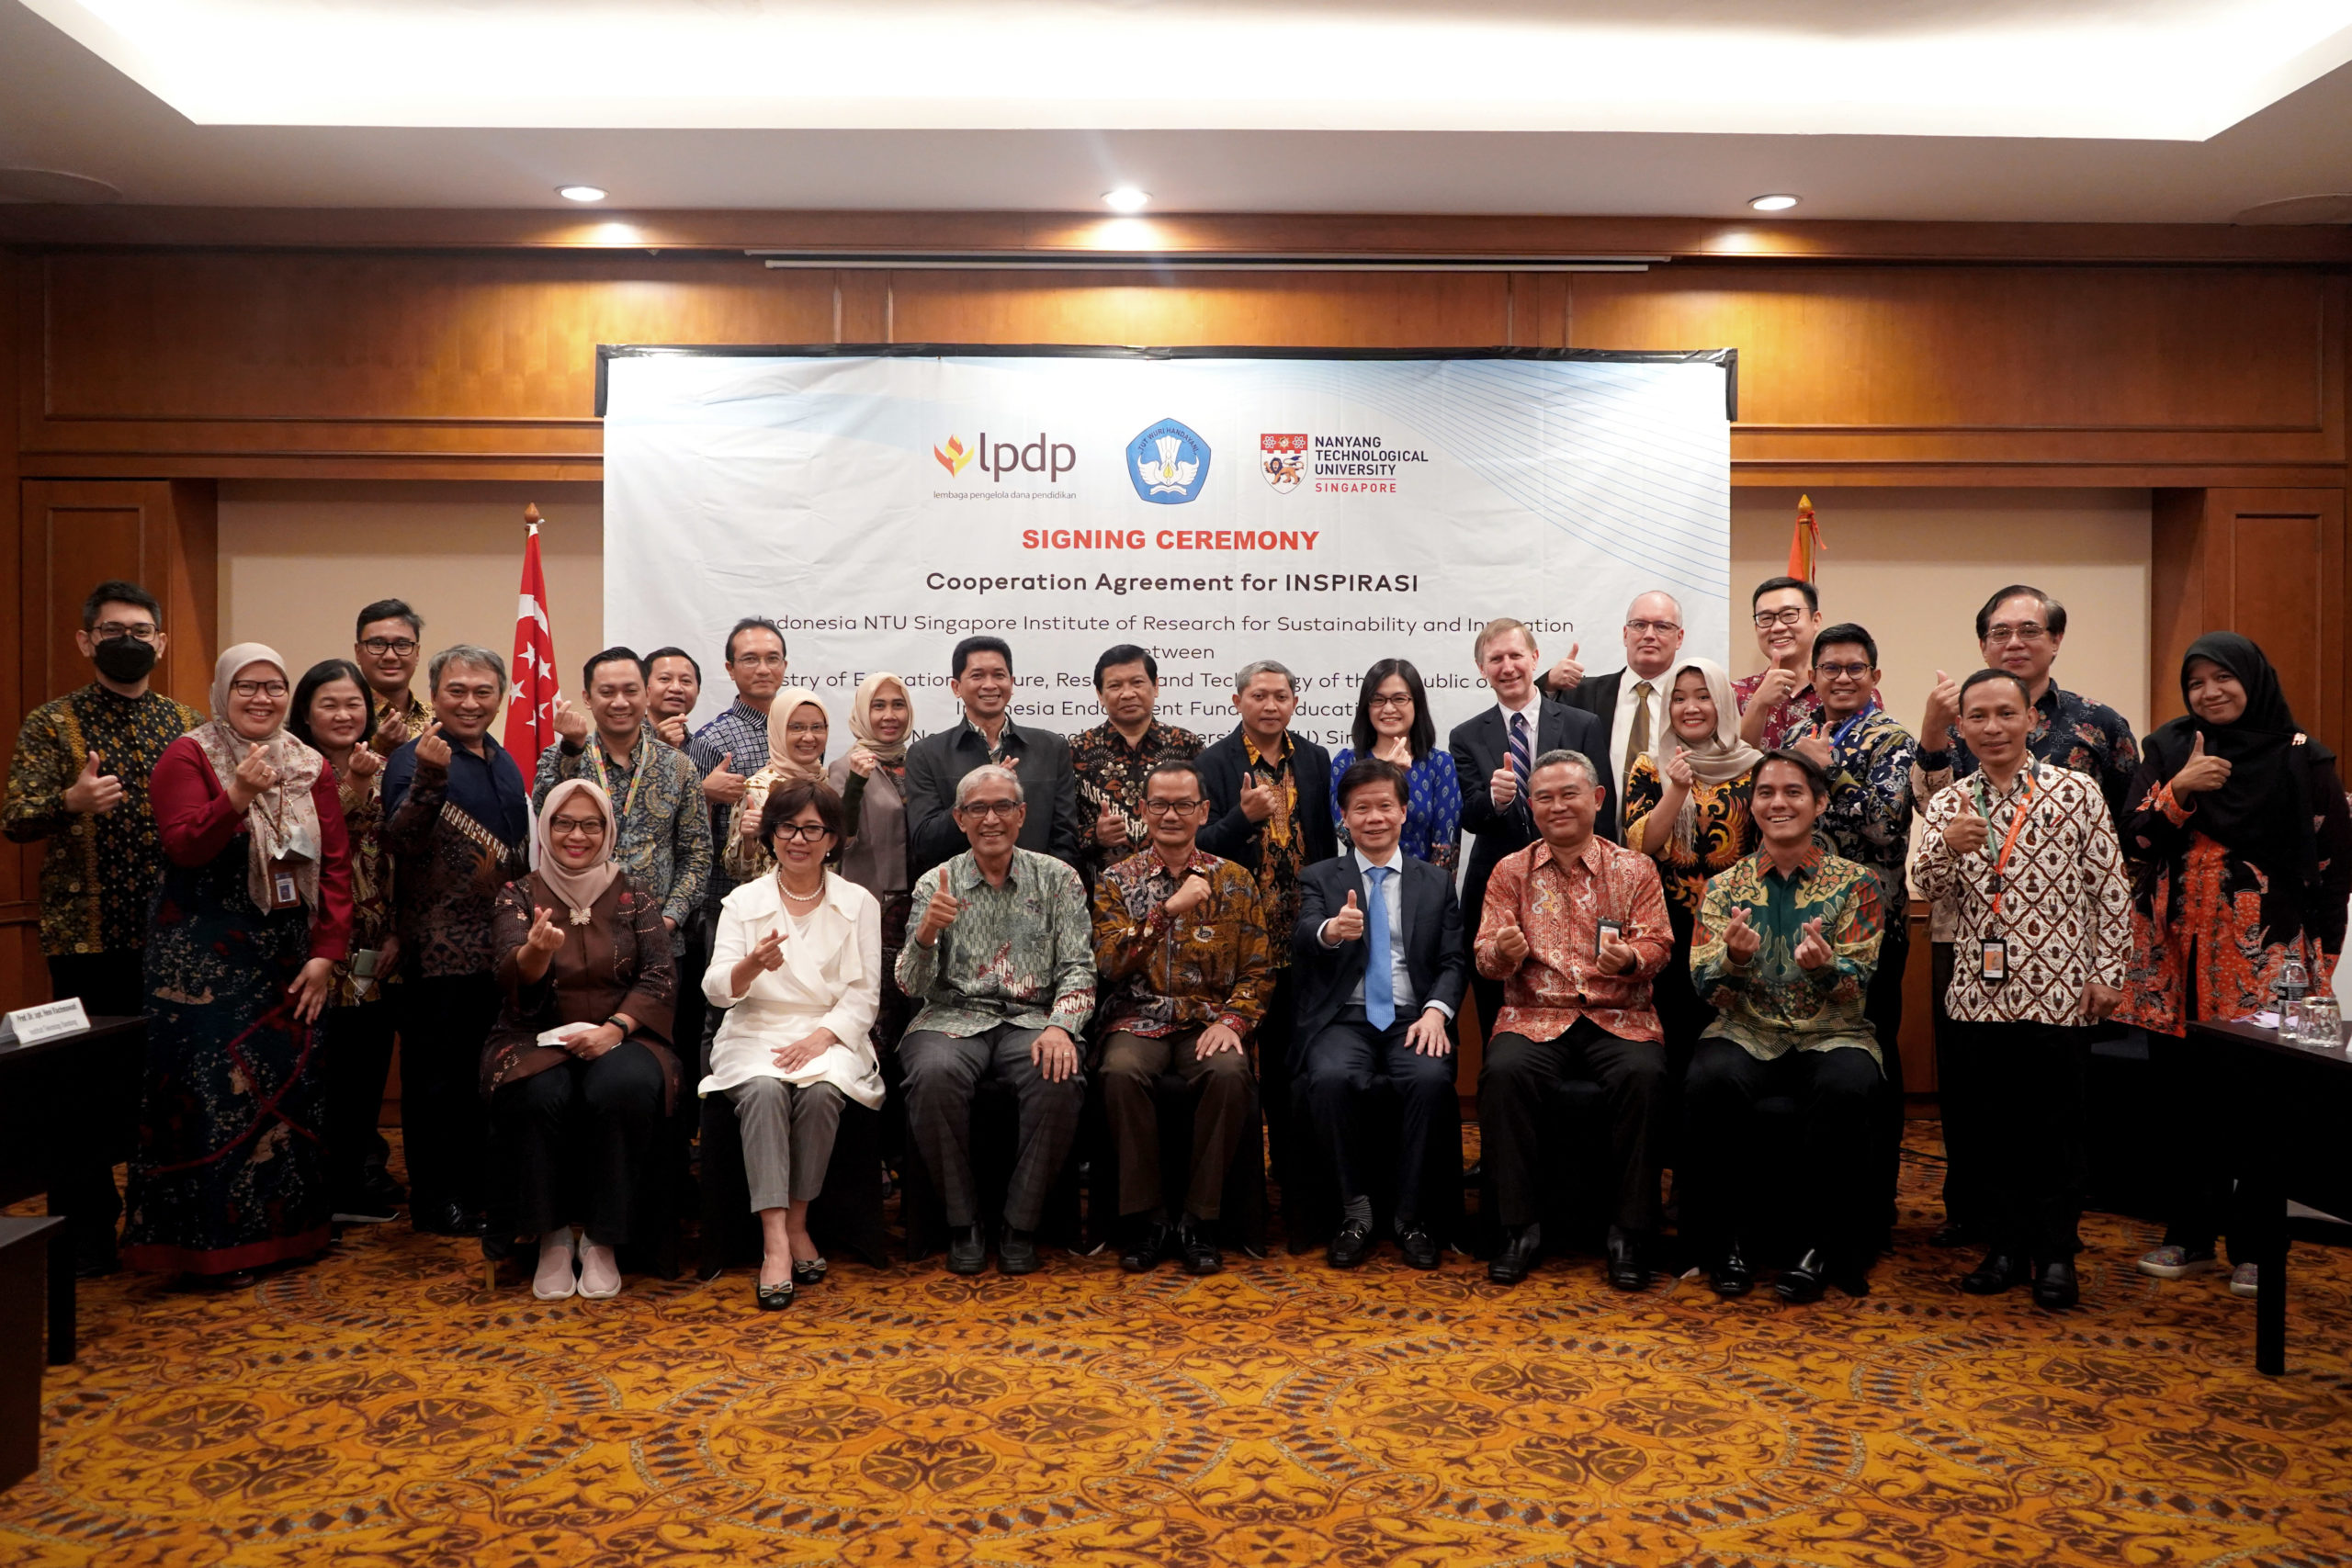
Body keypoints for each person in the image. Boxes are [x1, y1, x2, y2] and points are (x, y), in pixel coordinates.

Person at [2120, 634, 2352, 1297]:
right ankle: (2190, 1235)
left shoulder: (2303, 757)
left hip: (2267, 963)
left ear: (2253, 678)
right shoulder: (2170, 747)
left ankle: (2257, 1246)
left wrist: (2322, 962)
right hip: (2175, 960)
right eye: (2196, 682)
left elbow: (2334, 869)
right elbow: (2133, 838)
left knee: (2262, 1108)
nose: (2209, 692)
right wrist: (2180, 790)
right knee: (2184, 1105)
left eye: (2223, 677)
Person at [1913, 584, 2138, 1248]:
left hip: (2060, 986)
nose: (1992, 728)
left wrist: (2108, 972)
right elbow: (1926, 884)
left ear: (2028, 719)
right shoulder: (1951, 800)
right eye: (1977, 717)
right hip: (1976, 990)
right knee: (1990, 1123)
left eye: (2005, 714)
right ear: (1962, 727)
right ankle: (2004, 1247)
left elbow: (2110, 888)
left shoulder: (2077, 790)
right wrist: (1948, 848)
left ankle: (2056, 1250)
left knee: (2057, 1121)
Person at [121, 645, 353, 1284]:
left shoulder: (308, 764)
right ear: (222, 691)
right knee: (211, 1097)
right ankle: (210, 1249)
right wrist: (237, 795)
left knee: (288, 1092)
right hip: (200, 961)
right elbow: (184, 845)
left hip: (287, 958)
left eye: (274, 686)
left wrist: (327, 953)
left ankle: (289, 1237)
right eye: (247, 686)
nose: (262, 698)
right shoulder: (187, 755)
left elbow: (335, 864)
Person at [2, 579, 201, 1274]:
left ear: (161, 643)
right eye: (113, 630)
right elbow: (15, 817)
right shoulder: (52, 723)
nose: (128, 641)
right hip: (84, 937)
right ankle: (85, 1234)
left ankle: (163, 1222)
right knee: (81, 1091)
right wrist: (70, 800)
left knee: (169, 1082)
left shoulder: (185, 723)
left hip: (173, 937)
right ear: (86, 641)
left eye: (141, 631)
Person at [1685, 750, 1886, 1303]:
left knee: (1847, 1084)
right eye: (1766, 793)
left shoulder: (1858, 884)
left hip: (1832, 1032)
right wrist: (1734, 959)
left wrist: (1825, 968)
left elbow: (1857, 985)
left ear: (1819, 804)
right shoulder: (1723, 888)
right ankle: (1728, 1243)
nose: (1779, 803)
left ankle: (1821, 1247)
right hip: (1746, 1029)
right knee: (1709, 1080)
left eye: (1793, 792)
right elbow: (1705, 988)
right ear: (1751, 806)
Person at [1476, 750, 1673, 1290]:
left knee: (1645, 1076)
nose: (1557, 806)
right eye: (1544, 797)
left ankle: (1630, 1233)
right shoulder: (1510, 871)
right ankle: (1518, 1228)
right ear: (1531, 806)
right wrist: (1503, 953)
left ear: (1597, 799)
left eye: (1569, 794)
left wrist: (1630, 960)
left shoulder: (1635, 868)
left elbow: (1659, 944)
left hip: (1619, 1015)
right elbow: (1486, 959)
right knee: (1504, 1073)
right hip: (1535, 1014)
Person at [897, 764, 1094, 1276]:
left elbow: (1078, 967)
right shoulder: (936, 882)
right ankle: (963, 1223)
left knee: (1059, 1074)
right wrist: (926, 935)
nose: (991, 819)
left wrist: (1061, 1026)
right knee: (932, 1074)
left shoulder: (1058, 879)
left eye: (1003, 806)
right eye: (978, 809)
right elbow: (910, 986)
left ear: (1021, 814)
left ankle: (1020, 1225)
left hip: (1033, 1018)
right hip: (951, 1017)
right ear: (959, 819)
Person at [484, 779, 677, 1302]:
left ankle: (601, 1239)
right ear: (545, 828)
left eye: (591, 824)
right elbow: (508, 975)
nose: (577, 835)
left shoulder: (634, 893)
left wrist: (615, 1029)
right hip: (533, 1035)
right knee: (538, 1095)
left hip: (624, 1033)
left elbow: (659, 975)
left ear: (608, 830)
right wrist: (536, 953)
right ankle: (550, 1238)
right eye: (564, 823)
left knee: (622, 1089)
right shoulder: (518, 893)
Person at [704, 777, 886, 1308]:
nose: (798, 840)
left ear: (832, 839)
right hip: (755, 1028)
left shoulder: (859, 902)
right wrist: (750, 966)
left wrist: (822, 1037)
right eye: (787, 827)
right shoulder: (744, 901)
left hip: (829, 1030)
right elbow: (716, 990)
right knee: (763, 1089)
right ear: (771, 834)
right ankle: (775, 1240)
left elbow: (865, 994)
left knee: (823, 1091)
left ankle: (799, 1221)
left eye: (812, 829)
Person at [1091, 758, 1274, 1276]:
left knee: (1230, 1073)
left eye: (1183, 805)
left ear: (1204, 810)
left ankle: (1199, 1220)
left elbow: (1258, 970)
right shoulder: (1116, 880)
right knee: (1119, 1073)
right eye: (1160, 805)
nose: (1171, 815)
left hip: (1207, 1020)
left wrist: (1233, 1022)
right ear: (1142, 810)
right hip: (1137, 1019)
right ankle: (1149, 1220)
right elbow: (1109, 964)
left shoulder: (1234, 880)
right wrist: (1166, 910)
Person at [1292, 758, 1469, 1269]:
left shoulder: (1435, 882)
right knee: (1330, 1079)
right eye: (1361, 808)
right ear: (1344, 817)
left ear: (1404, 812)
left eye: (1385, 806)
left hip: (1413, 1017)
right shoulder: (1320, 877)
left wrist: (1436, 1014)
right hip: (1343, 1019)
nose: (1374, 818)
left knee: (1429, 1080)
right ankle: (1356, 1212)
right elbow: (1304, 934)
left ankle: (1410, 1215)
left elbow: (1453, 961)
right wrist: (1331, 931)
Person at [382, 645, 532, 1237]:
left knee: (487, 1076)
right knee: (436, 1083)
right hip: (440, 955)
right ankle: (436, 1200)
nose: (470, 703)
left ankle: (480, 1188)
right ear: (434, 695)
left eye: (483, 692)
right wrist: (428, 778)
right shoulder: (412, 758)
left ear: (500, 697)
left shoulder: (503, 759)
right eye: (457, 691)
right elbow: (399, 841)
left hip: (500, 952)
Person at [1792, 623, 1926, 1247]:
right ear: (1813, 676)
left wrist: (1833, 771)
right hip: (1798, 927)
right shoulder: (1798, 737)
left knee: (1872, 1057)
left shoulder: (1893, 739)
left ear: (1875, 676)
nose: (1842, 678)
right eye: (1830, 668)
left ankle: (1875, 1198)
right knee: (1809, 1061)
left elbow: (1885, 824)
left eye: (1854, 668)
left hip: (1872, 929)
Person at [1197, 659, 1338, 1182]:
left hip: (1302, 930)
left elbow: (1324, 842)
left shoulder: (1315, 758)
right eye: (1259, 696)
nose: (1271, 706)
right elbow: (1200, 846)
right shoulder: (1213, 762)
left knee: (1291, 1052)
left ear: (1295, 702)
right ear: (1238, 702)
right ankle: (1241, 1176)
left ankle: (1291, 1166)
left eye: (1281, 696)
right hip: (1241, 933)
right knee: (1238, 1058)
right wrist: (1242, 818)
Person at [1451, 617, 1615, 1038]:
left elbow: (1603, 809)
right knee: (1495, 1006)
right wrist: (1494, 800)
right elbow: (1468, 817)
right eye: (1495, 659)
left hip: (1577, 884)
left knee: (1578, 996)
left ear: (1535, 658)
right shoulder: (1466, 736)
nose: (1507, 667)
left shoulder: (1582, 724)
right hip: (1498, 887)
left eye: (1515, 655)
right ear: (1481, 669)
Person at [288, 659, 405, 1224]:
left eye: (353, 703)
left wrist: (399, 929)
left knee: (365, 1064)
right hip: (313, 945)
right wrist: (353, 784)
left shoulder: (388, 769)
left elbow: (403, 854)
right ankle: (316, 1193)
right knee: (318, 1070)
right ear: (306, 713)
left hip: (377, 945)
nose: (342, 714)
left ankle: (354, 1180)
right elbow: (308, 844)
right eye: (328, 704)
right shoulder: (290, 768)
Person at [1622, 656, 1763, 1089]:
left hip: (1737, 922)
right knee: (1675, 1032)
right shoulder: (1650, 765)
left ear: (1723, 702)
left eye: (1703, 697)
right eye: (1679, 698)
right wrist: (1677, 788)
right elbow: (1641, 844)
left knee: (1729, 1039)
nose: (1691, 708)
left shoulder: (1756, 766)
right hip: (1670, 922)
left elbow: (1766, 845)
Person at [533, 646, 712, 935]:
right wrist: (571, 751)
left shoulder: (677, 765)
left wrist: (670, 918)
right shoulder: (562, 755)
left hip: (657, 935)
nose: (620, 702)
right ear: (587, 698)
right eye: (607, 692)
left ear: (647, 694)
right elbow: (544, 814)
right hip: (576, 930)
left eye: (630, 691)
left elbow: (697, 852)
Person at [903, 636, 1082, 877]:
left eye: (999, 675)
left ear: (1011, 683)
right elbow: (924, 842)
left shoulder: (1051, 748)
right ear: (956, 687)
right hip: (957, 893)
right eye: (977, 676)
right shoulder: (926, 754)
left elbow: (1065, 837)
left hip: (1039, 892)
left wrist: (1049, 888)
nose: (989, 685)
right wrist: (977, 793)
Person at [827, 673, 918, 1061]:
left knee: (915, 1011)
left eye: (898, 705)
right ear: (863, 712)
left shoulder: (921, 763)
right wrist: (856, 783)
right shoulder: (845, 767)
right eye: (878, 706)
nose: (889, 715)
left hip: (922, 905)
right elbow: (837, 842)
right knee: (877, 1015)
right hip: (874, 908)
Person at [1544, 591, 1689, 835]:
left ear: (1679, 638)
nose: (1649, 635)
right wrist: (1549, 683)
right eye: (1639, 625)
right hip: (1596, 841)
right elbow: (1532, 714)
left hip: (1673, 843)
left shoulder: (1695, 704)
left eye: (1662, 626)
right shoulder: (1582, 694)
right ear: (1625, 634)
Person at [1069, 644, 1204, 888]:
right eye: (1115, 686)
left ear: (1156, 686)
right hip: (1102, 895)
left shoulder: (1186, 746)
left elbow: (1207, 820)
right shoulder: (1077, 751)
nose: (1127, 694)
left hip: (1180, 889)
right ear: (1100, 694)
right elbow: (1059, 833)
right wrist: (1094, 835)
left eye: (1137, 683)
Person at [1329, 658, 1460, 869]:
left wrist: (1430, 889)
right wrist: (1386, 774)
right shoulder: (1345, 762)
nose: (1388, 708)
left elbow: (1445, 847)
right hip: (1360, 881)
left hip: (1424, 883)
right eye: (1378, 699)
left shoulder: (1439, 764)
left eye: (1399, 699)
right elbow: (1344, 832)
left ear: (1416, 704)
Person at [1734, 577, 1873, 750]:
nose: (1777, 627)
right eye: (1766, 618)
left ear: (1816, 620)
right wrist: (1758, 703)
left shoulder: (1848, 687)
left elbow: (1872, 750)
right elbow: (1730, 761)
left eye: (1789, 615)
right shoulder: (1733, 695)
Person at [726, 687, 832, 881]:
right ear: (778, 730)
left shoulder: (830, 784)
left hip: (823, 895)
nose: (809, 737)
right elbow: (735, 871)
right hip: (770, 897)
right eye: (797, 727)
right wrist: (748, 839)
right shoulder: (757, 788)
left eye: (817, 727)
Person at [354, 598, 432, 750]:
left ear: (417, 653)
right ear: (358, 653)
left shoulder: (438, 718)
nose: (390, 656)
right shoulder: (345, 718)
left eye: (402, 645)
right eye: (377, 644)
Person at [644, 646, 702, 750]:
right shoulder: (624, 739)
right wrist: (662, 748)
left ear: (698, 691)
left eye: (686, 681)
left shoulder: (703, 748)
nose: (676, 688)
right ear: (643, 688)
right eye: (665, 679)